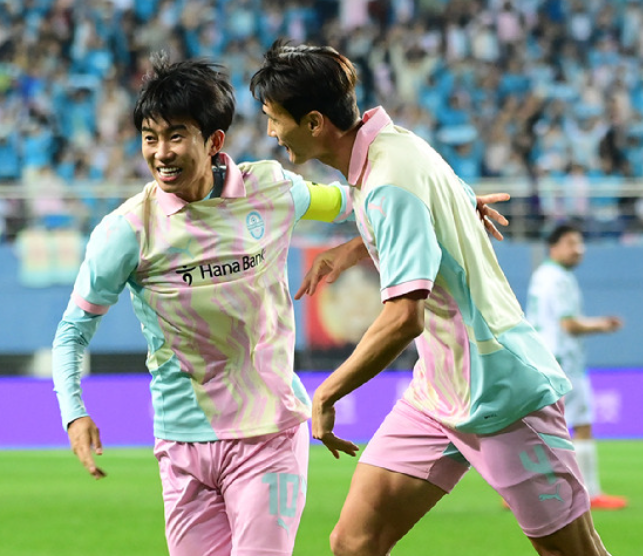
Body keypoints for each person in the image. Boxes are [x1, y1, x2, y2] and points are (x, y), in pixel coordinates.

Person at [250, 40, 612, 556]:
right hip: (439, 391)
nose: (270, 132)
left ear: (313, 123)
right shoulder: (394, 145)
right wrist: (355, 248)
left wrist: (327, 393)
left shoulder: (387, 182)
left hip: (501, 390)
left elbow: (404, 319)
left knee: (574, 553)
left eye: (274, 118)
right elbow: (431, 207)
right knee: (354, 543)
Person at [52, 52, 357, 556]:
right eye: (150, 138)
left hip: (268, 433)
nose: (161, 153)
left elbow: (355, 201)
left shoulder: (270, 189)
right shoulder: (126, 231)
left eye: (176, 136)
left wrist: (443, 201)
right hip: (181, 448)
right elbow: (72, 332)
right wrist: (74, 413)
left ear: (214, 141)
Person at [526, 223, 626, 510]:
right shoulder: (559, 279)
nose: (578, 249)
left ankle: (526, 491)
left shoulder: (541, 276)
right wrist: (603, 325)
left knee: (538, 427)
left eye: (580, 243)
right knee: (582, 425)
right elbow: (569, 324)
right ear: (553, 246)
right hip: (563, 363)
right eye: (571, 243)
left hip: (540, 359)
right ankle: (591, 492)